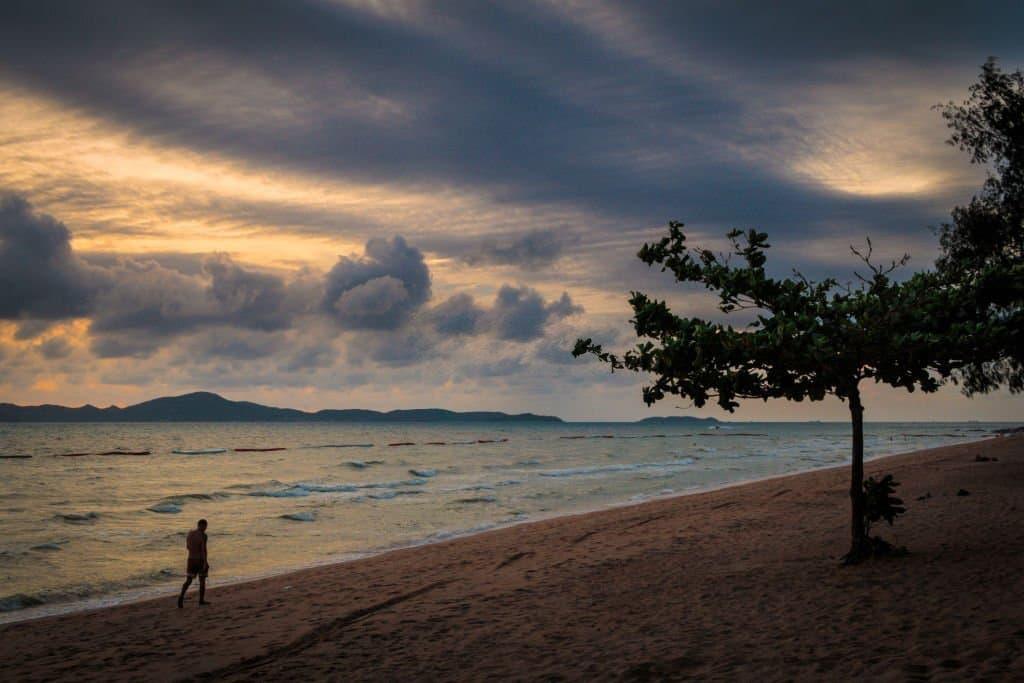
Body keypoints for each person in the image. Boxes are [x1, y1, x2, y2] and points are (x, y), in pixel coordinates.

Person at [177, 519, 210, 608]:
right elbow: (203, 549)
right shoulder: (203, 535)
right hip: (200, 560)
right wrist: (205, 562)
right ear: (203, 525)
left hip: (191, 559)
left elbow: (188, 547)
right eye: (205, 526)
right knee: (202, 580)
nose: (206, 528)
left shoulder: (190, 533)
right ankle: (201, 600)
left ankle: (181, 596)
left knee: (188, 580)